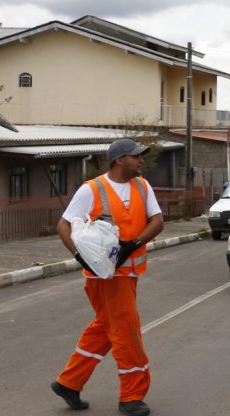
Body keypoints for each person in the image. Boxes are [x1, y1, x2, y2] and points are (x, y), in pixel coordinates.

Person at [51, 139, 164, 416]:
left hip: (129, 274)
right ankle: (131, 396)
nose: (141, 160)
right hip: (103, 277)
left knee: (105, 328)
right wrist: (78, 256)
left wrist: (133, 244)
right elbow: (63, 225)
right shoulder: (91, 189)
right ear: (119, 160)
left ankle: (69, 382)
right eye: (136, 156)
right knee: (127, 332)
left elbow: (157, 221)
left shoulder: (143, 185)